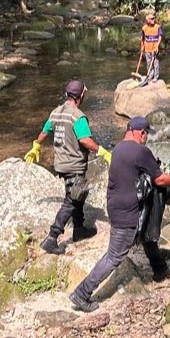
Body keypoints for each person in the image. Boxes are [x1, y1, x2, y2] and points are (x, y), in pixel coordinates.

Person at [68, 116, 170, 312]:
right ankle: (82, 293)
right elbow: (160, 179)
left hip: (117, 204)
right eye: (146, 134)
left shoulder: (118, 148)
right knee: (114, 256)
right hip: (127, 211)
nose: (146, 138)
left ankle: (160, 270)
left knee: (147, 234)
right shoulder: (140, 151)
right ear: (141, 132)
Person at [24, 80, 112, 255]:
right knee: (71, 201)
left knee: (77, 195)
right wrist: (102, 151)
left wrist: (36, 145)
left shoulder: (56, 113)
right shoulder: (78, 117)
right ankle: (52, 236)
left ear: (67, 95)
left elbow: (44, 132)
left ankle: (79, 229)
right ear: (81, 96)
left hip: (61, 164)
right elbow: (84, 140)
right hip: (74, 165)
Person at [140, 13, 163, 84]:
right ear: (148, 21)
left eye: (154, 18)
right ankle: (150, 75)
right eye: (152, 19)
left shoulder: (157, 27)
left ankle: (155, 77)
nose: (154, 20)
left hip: (154, 48)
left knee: (155, 63)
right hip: (147, 48)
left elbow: (160, 36)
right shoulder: (144, 28)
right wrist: (142, 46)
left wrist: (157, 46)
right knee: (149, 63)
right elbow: (142, 38)